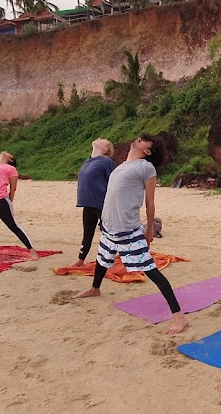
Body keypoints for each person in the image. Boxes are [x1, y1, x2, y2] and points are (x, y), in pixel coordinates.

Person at [75, 134, 188, 335]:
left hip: (128, 228)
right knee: (102, 258)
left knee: (151, 270)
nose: (137, 138)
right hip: (110, 226)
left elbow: (150, 202)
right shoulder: (119, 166)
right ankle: (95, 288)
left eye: (143, 140)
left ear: (147, 151)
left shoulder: (146, 167)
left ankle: (179, 317)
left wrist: (149, 229)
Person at [75, 138, 115, 265]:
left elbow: (113, 182)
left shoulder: (106, 161)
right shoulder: (88, 160)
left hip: (101, 203)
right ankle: (81, 259)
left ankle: (123, 258)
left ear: (105, 149)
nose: (99, 139)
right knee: (87, 234)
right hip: (88, 203)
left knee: (111, 234)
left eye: (103, 140)